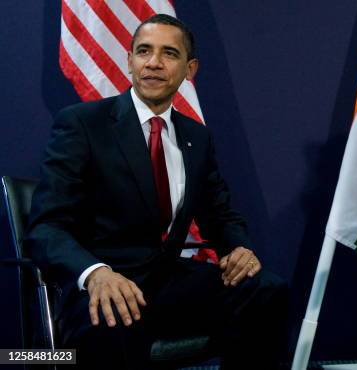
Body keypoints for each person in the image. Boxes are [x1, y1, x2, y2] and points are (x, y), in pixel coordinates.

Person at [25, 14, 287, 370]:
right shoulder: (84, 124)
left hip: (167, 284)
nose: (154, 63)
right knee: (116, 328)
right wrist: (96, 273)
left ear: (189, 69)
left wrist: (239, 248)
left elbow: (219, 213)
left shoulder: (197, 136)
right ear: (130, 60)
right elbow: (46, 228)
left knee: (265, 291)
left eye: (169, 53)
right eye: (144, 51)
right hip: (104, 285)